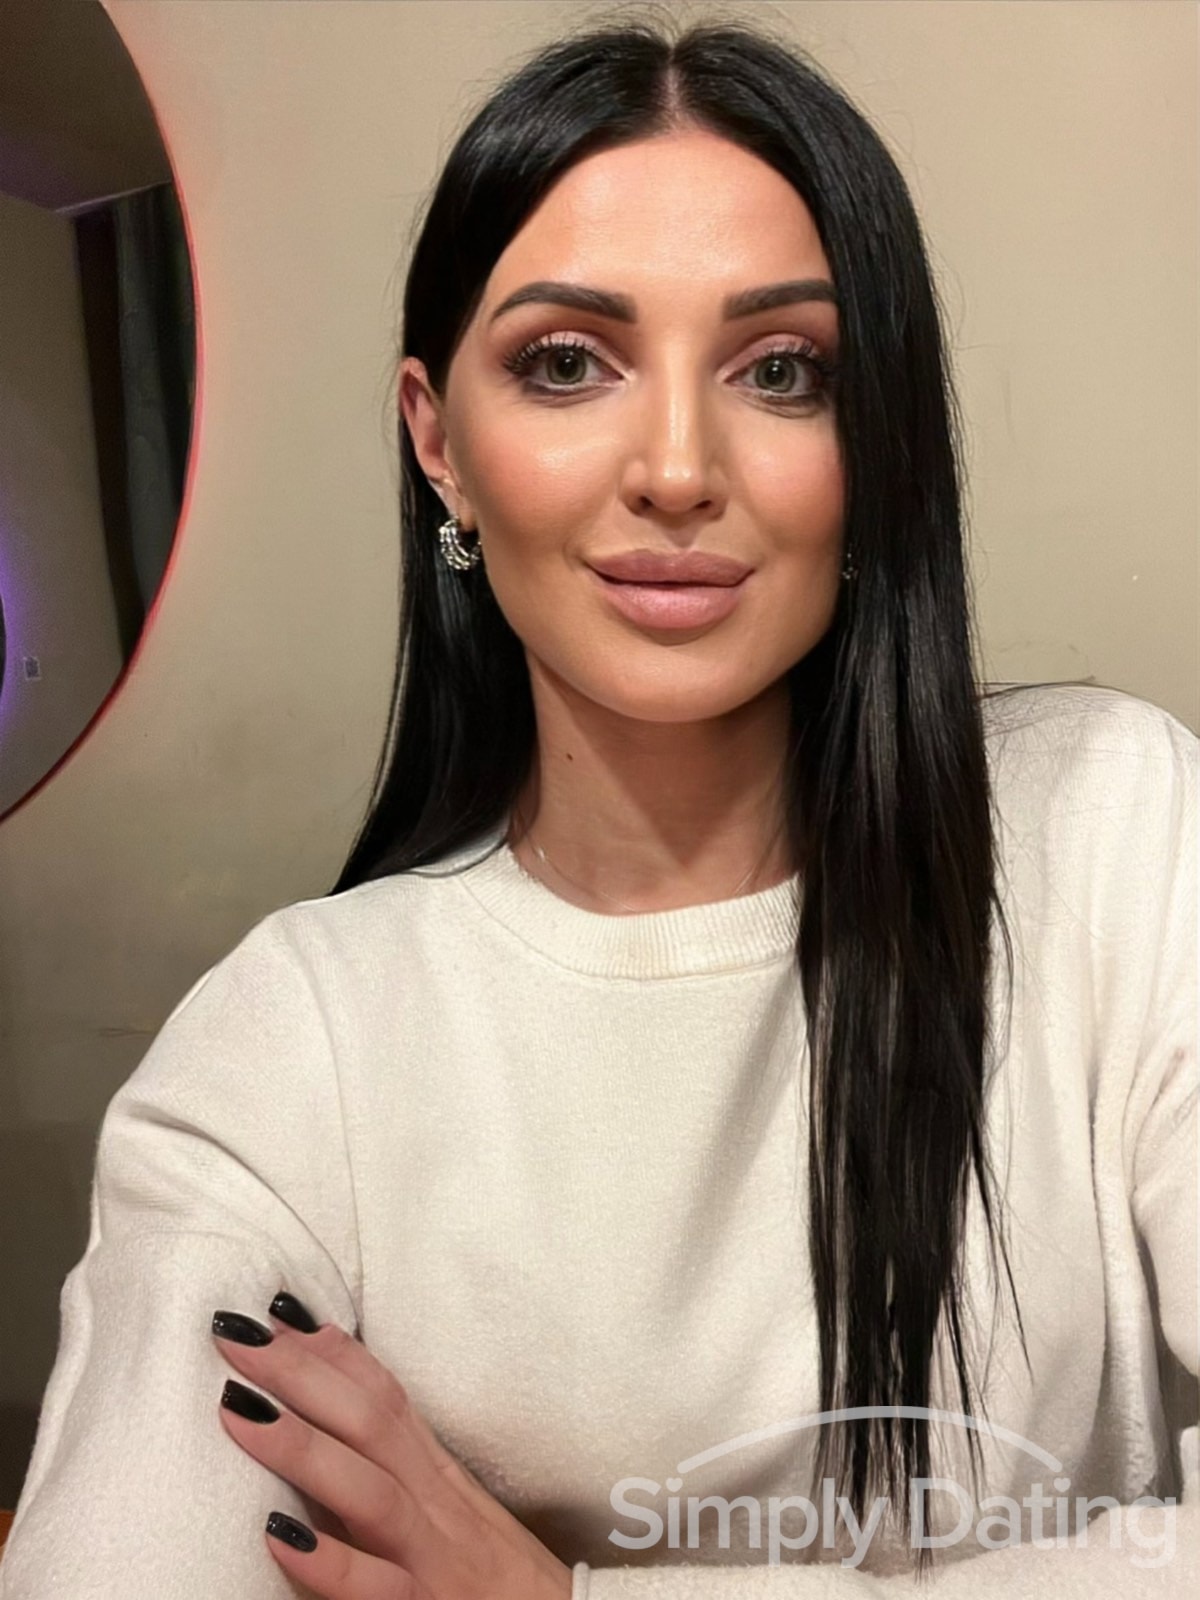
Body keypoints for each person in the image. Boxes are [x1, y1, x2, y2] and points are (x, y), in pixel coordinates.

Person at [1, 15, 1195, 1600]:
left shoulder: (1111, 833)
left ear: (876, 442)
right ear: (441, 444)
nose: (678, 468)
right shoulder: (298, 1041)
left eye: (783, 371)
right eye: (566, 363)